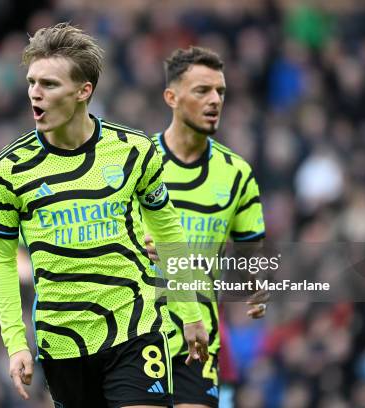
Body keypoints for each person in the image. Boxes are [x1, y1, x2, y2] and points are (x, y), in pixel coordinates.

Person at [0, 23, 208, 408]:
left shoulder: (133, 152)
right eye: (32, 82)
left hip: (134, 327)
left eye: (49, 84)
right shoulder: (10, 170)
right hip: (62, 343)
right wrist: (16, 341)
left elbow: (167, 228)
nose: (35, 92)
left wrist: (188, 311)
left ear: (84, 91)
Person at [145, 47, 267, 408]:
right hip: (137, 336)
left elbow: (251, 255)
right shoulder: (137, 162)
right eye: (202, 91)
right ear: (172, 97)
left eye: (220, 92)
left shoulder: (237, 173)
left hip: (200, 341)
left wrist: (258, 285)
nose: (215, 100)